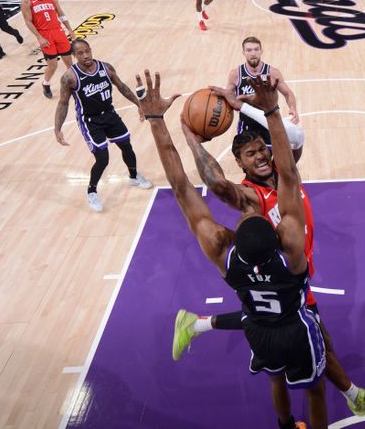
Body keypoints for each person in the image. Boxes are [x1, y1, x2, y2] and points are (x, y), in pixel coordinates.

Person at [174, 93, 365, 417]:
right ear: (240, 163)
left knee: (297, 352)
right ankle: (356, 398)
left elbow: (296, 139)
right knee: (314, 363)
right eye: (250, 154)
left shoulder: (286, 174)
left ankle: (196, 324)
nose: (260, 157)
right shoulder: (252, 196)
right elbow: (218, 185)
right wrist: (192, 139)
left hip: (296, 278)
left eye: (262, 150)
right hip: (285, 282)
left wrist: (250, 107)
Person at [139, 71, 327, 429]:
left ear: (235, 240)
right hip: (294, 323)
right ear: (275, 235)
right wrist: (272, 111)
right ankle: (344, 399)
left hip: (258, 328)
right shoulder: (291, 250)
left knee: (275, 379)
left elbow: (181, 189)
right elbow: (288, 175)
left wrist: (157, 123)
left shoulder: (223, 254)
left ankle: (286, 425)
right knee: (315, 389)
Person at [53, 39, 152, 212]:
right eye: (80, 53)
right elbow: (63, 103)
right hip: (90, 121)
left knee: (126, 146)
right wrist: (57, 128)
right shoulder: (70, 77)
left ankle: (134, 175)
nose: (86, 56)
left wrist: (139, 104)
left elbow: (121, 86)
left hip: (109, 114)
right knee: (103, 158)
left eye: (87, 51)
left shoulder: (105, 67)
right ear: (74, 56)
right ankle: (91, 190)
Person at [226, 37, 300, 151]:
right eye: (249, 50)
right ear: (243, 53)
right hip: (247, 124)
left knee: (277, 159)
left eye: (256, 49)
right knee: (250, 161)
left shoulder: (272, 72)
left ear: (261, 51)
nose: (253, 53)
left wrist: (293, 108)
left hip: (271, 122)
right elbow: (228, 97)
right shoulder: (236, 74)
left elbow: (288, 93)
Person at [21, 0, 74, 99]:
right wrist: (39, 37)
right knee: (53, 65)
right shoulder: (26, 1)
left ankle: (72, 83)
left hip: (58, 31)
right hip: (45, 35)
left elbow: (61, 14)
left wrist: (70, 29)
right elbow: (28, 21)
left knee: (69, 62)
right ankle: (46, 84)